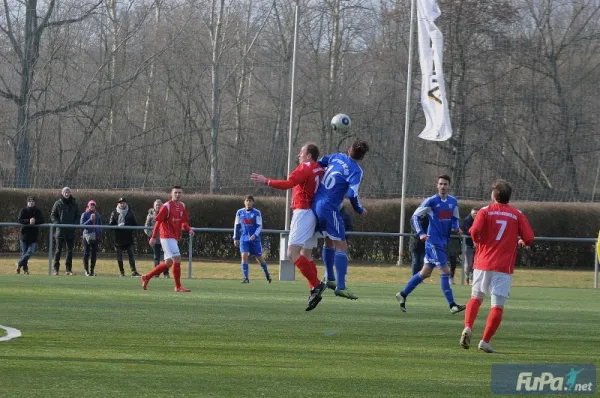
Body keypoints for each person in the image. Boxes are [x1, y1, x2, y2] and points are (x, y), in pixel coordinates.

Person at [460, 179, 534, 353]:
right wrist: (523, 240)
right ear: (509, 197)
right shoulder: (517, 214)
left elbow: (474, 231)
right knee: (497, 306)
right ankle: (485, 341)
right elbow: (530, 237)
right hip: (503, 266)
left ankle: (468, 327)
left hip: (483, 262)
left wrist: (480, 243)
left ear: (494, 195)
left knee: (476, 297)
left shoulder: (485, 211)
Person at [251, 143, 325, 310]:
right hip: (314, 211)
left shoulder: (305, 167)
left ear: (308, 156)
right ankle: (314, 288)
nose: (299, 155)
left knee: (291, 252)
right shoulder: (319, 168)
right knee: (306, 253)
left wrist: (266, 181)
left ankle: (316, 285)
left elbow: (288, 183)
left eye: (301, 153)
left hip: (303, 212)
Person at [396, 175, 466, 314]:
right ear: (437, 185)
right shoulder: (431, 201)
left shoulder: (453, 201)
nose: (443, 186)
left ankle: (402, 294)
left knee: (425, 272)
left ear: (449, 186)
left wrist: (456, 228)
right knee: (445, 271)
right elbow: (415, 216)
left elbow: (454, 219)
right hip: (433, 242)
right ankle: (452, 305)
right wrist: (421, 233)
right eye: (440, 184)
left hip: (442, 242)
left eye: (445, 184)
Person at [313, 139, 370, 301]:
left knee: (329, 241)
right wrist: (359, 209)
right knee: (342, 246)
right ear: (362, 157)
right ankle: (341, 287)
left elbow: (319, 163)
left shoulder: (336, 156)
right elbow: (352, 195)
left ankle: (330, 279)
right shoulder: (356, 171)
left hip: (317, 202)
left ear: (349, 149)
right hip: (329, 207)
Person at [142, 186, 196, 292]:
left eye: (179, 193)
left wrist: (189, 229)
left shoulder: (181, 206)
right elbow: (158, 221)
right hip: (166, 236)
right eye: (175, 192)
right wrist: (153, 237)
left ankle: (146, 277)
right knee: (177, 258)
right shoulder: (166, 206)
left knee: (168, 263)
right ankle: (178, 286)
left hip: (174, 237)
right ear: (171, 194)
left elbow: (183, 221)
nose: (177, 194)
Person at [233, 195, 272, 284]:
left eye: (250, 201)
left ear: (253, 202)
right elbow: (237, 225)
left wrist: (255, 235)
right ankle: (246, 278)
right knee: (244, 255)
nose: (248, 202)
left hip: (254, 239)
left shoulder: (256, 213)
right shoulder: (240, 212)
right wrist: (236, 238)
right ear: (244, 202)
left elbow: (259, 226)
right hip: (244, 238)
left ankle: (267, 274)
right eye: (247, 200)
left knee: (259, 257)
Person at [50, 187, 80, 275]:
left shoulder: (74, 203)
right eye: (65, 192)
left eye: (68, 192)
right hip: (60, 230)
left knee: (70, 250)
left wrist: (74, 225)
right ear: (62, 193)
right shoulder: (58, 203)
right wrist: (58, 224)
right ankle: (56, 269)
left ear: (70, 193)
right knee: (58, 250)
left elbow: (78, 216)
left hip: (70, 230)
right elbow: (53, 215)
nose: (67, 194)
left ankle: (68, 270)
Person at [109, 197, 141, 277]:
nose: (122, 204)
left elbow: (135, 224)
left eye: (123, 203)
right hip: (118, 238)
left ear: (126, 203)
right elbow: (110, 225)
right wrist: (117, 226)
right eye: (120, 203)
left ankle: (134, 271)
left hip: (128, 237)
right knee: (119, 256)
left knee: (131, 255)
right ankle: (122, 272)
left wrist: (128, 227)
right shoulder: (114, 212)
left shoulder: (130, 212)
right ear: (118, 204)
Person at [16, 196, 44, 274]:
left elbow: (42, 220)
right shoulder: (23, 210)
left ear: (34, 203)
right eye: (30, 201)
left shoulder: (37, 211)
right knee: (24, 253)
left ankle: (19, 264)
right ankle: (25, 270)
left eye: (32, 201)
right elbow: (19, 220)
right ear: (27, 202)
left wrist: (35, 221)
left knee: (29, 252)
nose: (31, 203)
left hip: (33, 236)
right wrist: (28, 221)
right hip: (24, 236)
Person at [145, 199, 169, 278]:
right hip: (156, 240)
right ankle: (156, 273)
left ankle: (166, 273)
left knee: (166, 257)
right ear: (154, 206)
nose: (158, 206)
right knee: (156, 257)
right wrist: (151, 236)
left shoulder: (166, 214)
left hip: (165, 239)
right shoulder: (150, 216)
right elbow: (146, 227)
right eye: (156, 205)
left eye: (160, 205)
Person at [80, 200, 102, 276]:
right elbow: (82, 225)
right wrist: (90, 220)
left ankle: (92, 270)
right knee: (86, 253)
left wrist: (98, 233)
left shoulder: (98, 215)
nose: (92, 206)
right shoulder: (84, 214)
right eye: (91, 205)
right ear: (88, 206)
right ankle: (86, 270)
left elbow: (100, 225)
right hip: (87, 236)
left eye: (93, 205)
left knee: (94, 254)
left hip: (96, 237)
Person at [463, 208, 478, 285]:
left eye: (477, 213)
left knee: (475, 262)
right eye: (474, 213)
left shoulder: (480, 220)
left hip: (478, 246)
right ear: (471, 214)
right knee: (468, 263)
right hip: (468, 244)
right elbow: (468, 231)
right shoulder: (467, 220)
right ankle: (467, 276)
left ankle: (472, 278)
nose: (475, 215)